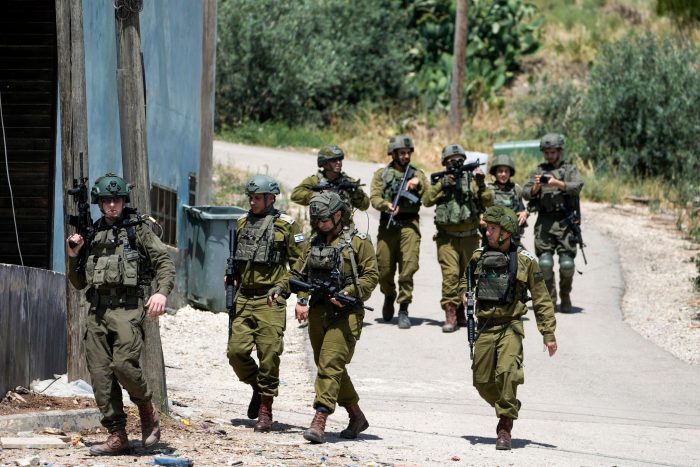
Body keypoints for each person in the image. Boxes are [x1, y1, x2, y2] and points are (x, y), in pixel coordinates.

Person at [66, 173, 175, 456]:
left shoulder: (139, 230)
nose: (112, 205)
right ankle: (117, 435)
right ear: (99, 204)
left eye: (117, 200)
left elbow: (164, 262)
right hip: (98, 311)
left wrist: (161, 293)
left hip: (128, 308)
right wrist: (74, 255)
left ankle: (147, 409)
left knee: (124, 365)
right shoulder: (91, 234)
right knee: (101, 375)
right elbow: (79, 283)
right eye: (107, 201)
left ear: (124, 200)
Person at [461, 206, 557, 450]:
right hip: (485, 326)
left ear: (506, 232)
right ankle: (509, 405)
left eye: (493, 229)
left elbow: (541, 298)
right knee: (481, 381)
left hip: (510, 326)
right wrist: (465, 293)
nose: (488, 233)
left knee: (507, 373)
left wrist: (548, 333)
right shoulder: (479, 256)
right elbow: (466, 279)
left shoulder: (526, 261)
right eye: (488, 228)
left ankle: (505, 426)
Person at [291, 192, 378, 444]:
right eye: (317, 220)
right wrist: (301, 299)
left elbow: (371, 276)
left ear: (339, 215)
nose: (321, 225)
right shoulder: (313, 242)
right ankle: (356, 415)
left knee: (330, 364)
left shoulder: (359, 242)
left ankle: (320, 418)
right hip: (319, 312)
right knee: (327, 366)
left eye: (325, 220)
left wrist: (348, 292)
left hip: (346, 314)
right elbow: (299, 274)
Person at [225, 175, 305, 432]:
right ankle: (258, 388)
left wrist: (291, 292)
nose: (252, 201)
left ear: (271, 198)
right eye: (250, 197)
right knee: (236, 353)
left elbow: (300, 265)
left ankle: (266, 410)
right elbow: (236, 257)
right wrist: (230, 274)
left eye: (257, 197)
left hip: (270, 300)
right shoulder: (241, 222)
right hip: (244, 297)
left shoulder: (286, 225)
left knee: (269, 354)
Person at [422, 143, 492, 332]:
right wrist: (442, 185)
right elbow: (426, 200)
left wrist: (481, 183)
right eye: (451, 161)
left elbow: (488, 201)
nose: (456, 163)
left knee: (467, 277)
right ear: (445, 163)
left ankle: (463, 312)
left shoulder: (472, 181)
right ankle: (450, 313)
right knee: (451, 276)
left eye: (459, 160)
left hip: (470, 238)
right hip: (447, 239)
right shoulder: (441, 181)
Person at [370, 134, 427, 329]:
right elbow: (374, 198)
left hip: (410, 225)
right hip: (388, 226)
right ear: (393, 154)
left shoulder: (417, 173)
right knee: (383, 270)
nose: (406, 156)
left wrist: (418, 182)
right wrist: (386, 205)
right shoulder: (382, 174)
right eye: (402, 153)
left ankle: (403, 308)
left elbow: (428, 197)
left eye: (408, 153)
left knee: (408, 269)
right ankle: (389, 294)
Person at [522, 133, 584, 313]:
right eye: (547, 152)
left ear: (559, 151)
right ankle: (550, 298)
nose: (549, 156)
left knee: (567, 264)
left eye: (553, 152)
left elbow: (577, 186)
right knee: (545, 263)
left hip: (565, 221)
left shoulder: (569, 169)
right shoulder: (539, 170)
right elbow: (525, 193)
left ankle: (565, 294)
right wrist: (536, 187)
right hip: (545, 221)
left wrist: (557, 183)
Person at [291, 144, 369, 213]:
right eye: (334, 160)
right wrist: (319, 195)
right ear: (324, 162)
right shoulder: (314, 180)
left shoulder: (348, 181)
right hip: (321, 224)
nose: (338, 162)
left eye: (340, 159)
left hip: (345, 224)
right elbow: (295, 195)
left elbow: (365, 206)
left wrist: (355, 193)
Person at [486, 154, 528, 239]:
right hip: (492, 237)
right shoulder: (488, 191)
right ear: (495, 173)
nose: (503, 174)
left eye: (506, 171)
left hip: (512, 236)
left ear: (510, 173)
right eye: (500, 171)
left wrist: (525, 213)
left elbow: (521, 210)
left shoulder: (516, 189)